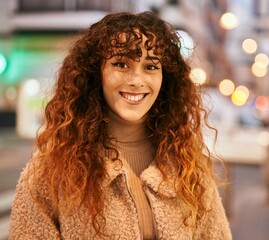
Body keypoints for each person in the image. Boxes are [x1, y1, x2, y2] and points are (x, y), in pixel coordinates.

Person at [9, 11, 232, 239]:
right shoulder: (49, 172)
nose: (136, 80)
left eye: (151, 66)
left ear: (165, 78)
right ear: (96, 73)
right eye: (121, 64)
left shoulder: (188, 167)